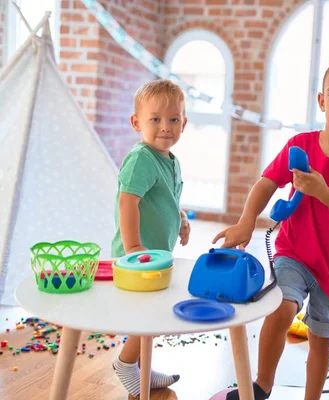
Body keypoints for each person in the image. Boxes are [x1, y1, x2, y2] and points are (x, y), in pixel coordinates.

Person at [213, 53, 329, 400]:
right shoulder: (301, 145)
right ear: (322, 101)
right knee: (281, 309)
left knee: (322, 339)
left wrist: (323, 193)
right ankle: (262, 385)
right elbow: (267, 182)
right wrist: (246, 222)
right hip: (293, 254)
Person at [110, 79, 191, 397]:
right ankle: (126, 363)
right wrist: (132, 247)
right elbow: (127, 199)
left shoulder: (169, 159)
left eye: (173, 120)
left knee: (149, 316)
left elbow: (165, 198)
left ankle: (142, 367)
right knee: (151, 314)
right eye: (155, 119)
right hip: (136, 257)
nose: (165, 127)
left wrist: (181, 218)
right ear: (136, 123)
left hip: (154, 254)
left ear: (183, 123)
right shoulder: (142, 157)